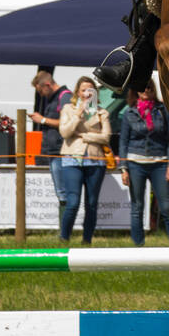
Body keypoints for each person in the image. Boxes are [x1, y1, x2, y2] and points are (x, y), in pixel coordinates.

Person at [119, 79, 169, 247]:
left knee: (167, 206)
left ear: (154, 89)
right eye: (142, 87)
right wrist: (123, 169)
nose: (146, 89)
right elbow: (123, 142)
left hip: (160, 162)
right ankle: (138, 246)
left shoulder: (163, 110)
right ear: (136, 91)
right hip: (135, 163)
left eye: (149, 87)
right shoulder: (129, 113)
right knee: (137, 207)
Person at [58, 76, 112, 246]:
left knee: (92, 203)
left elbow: (106, 137)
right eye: (83, 90)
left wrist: (83, 135)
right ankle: (64, 238)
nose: (87, 93)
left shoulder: (102, 112)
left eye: (91, 90)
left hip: (95, 161)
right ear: (78, 92)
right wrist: (78, 115)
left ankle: (87, 240)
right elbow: (65, 133)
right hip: (72, 160)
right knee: (73, 202)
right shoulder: (68, 109)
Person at [30, 71, 72, 232]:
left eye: (40, 91)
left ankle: (64, 231)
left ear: (47, 85)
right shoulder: (53, 98)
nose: (40, 95)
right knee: (60, 191)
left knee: (63, 192)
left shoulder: (65, 97)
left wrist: (42, 120)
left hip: (61, 151)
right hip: (53, 151)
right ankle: (63, 230)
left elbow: (66, 122)